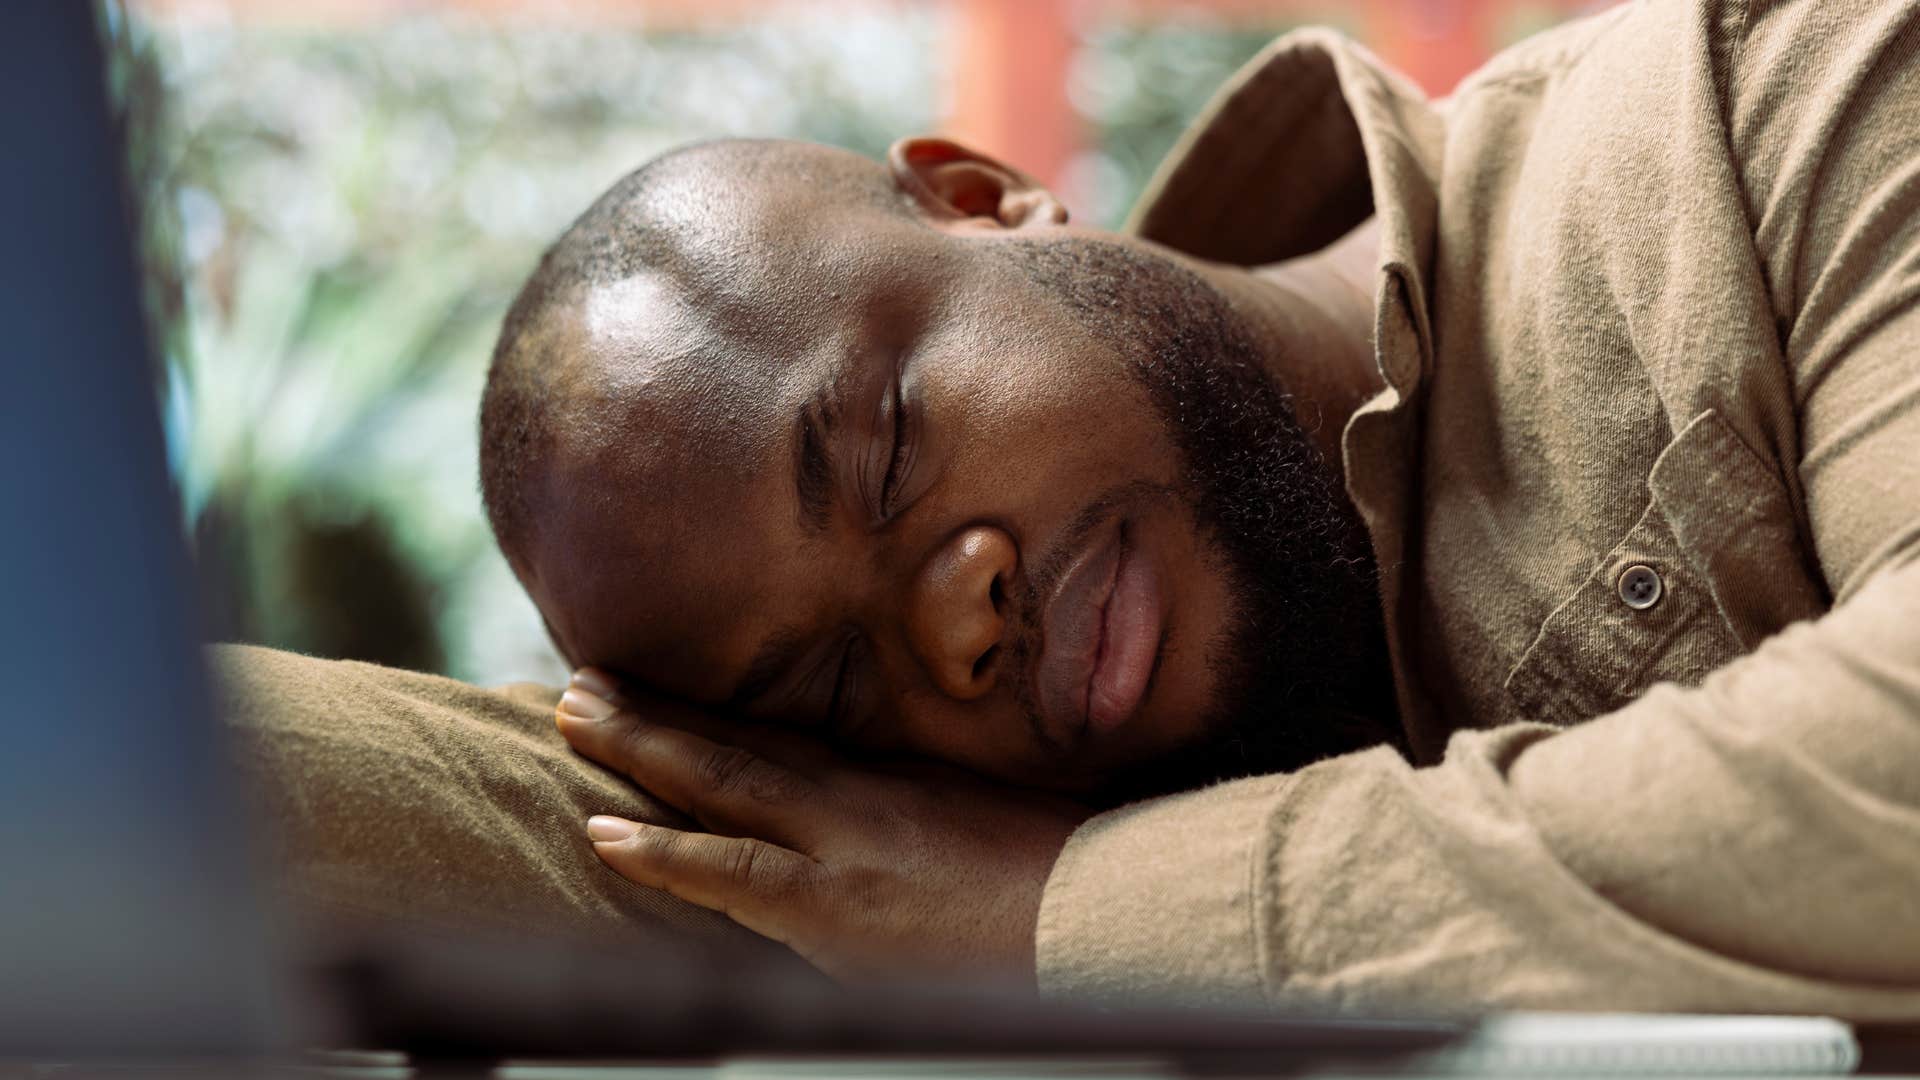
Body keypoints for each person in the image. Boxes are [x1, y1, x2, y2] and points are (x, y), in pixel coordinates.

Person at [467, 0, 1920, 1014]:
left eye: (891, 451)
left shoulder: (1777, 85)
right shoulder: (945, 889)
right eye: (839, 682)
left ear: (990, 197)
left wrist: (1075, 918)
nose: (953, 620)